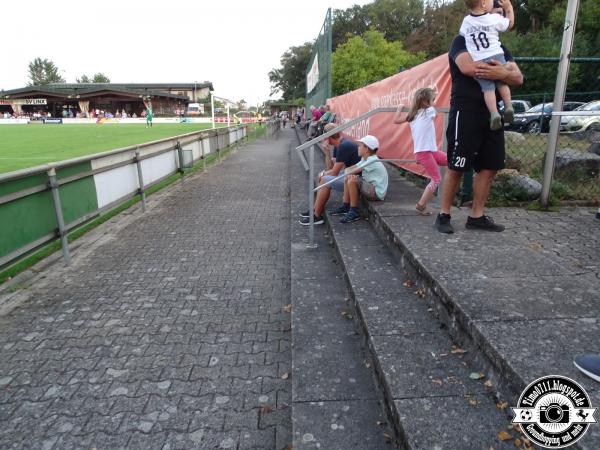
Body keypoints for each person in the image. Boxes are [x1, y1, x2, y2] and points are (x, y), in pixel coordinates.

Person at [434, 30, 523, 234]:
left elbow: (518, 77)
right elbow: (467, 67)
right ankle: (443, 215)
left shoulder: (500, 46)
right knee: (457, 166)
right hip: (465, 111)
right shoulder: (461, 40)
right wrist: (502, 72)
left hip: (493, 115)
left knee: (490, 167)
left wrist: (503, 73)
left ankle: (476, 216)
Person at [460, 0, 515, 130]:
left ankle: (494, 113)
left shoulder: (466, 21)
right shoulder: (494, 18)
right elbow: (510, 24)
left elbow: (463, 34)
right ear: (483, 3)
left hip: (479, 60)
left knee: (488, 89)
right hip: (496, 55)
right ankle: (508, 106)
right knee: (502, 82)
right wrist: (509, 8)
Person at [394, 87, 447, 215]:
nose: (434, 102)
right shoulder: (429, 111)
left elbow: (396, 120)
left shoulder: (412, 115)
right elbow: (432, 108)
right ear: (425, 102)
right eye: (432, 99)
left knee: (452, 160)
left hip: (430, 151)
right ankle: (421, 205)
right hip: (424, 153)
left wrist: (400, 109)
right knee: (436, 179)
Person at [299, 128, 360, 225]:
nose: (323, 138)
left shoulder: (344, 145)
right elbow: (330, 168)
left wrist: (324, 174)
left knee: (324, 180)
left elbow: (334, 173)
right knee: (323, 177)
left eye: (324, 136)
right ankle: (315, 209)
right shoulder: (338, 145)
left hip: (357, 178)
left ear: (328, 136)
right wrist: (327, 152)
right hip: (349, 174)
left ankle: (317, 216)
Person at [331, 135, 388, 224]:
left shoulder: (371, 161)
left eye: (360, 146)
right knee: (350, 177)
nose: (358, 148)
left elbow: (350, 170)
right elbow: (348, 170)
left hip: (376, 192)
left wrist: (350, 173)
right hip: (371, 187)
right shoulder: (365, 159)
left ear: (366, 149)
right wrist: (349, 172)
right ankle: (346, 205)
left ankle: (354, 211)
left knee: (352, 180)